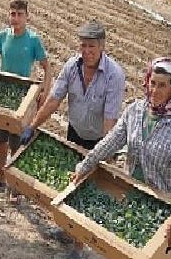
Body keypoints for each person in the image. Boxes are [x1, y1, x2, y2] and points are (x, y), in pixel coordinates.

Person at [20, 20, 125, 258]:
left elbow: (110, 120)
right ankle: (66, 230)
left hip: (99, 141)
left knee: (84, 190)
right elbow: (55, 99)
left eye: (92, 47)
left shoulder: (114, 76)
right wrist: (32, 125)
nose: (87, 52)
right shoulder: (71, 66)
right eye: (83, 46)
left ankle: (79, 247)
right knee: (70, 181)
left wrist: (104, 155)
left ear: (102, 46)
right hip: (75, 132)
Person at [72, 57, 171, 253]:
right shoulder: (135, 111)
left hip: (159, 206)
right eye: (153, 83)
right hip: (130, 193)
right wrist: (85, 165)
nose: (155, 91)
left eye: (162, 86)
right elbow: (111, 142)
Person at [0, 0, 51, 202]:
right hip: (2, 96)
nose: (16, 18)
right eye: (13, 14)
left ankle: (15, 185)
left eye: (20, 15)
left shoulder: (33, 40)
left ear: (27, 17)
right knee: (0, 140)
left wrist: (44, 92)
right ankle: (2, 176)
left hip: (23, 99)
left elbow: (47, 67)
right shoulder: (3, 36)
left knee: (16, 144)